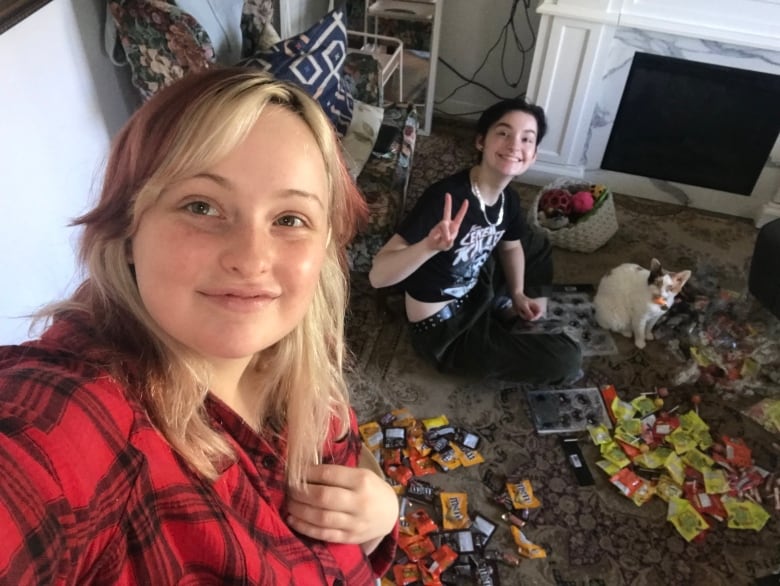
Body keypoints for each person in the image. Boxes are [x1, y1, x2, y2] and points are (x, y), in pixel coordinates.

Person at [0, 68, 399, 584]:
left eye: (290, 219)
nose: (252, 260)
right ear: (126, 230)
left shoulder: (292, 346)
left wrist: (382, 514)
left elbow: (347, 459)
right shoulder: (72, 415)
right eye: (202, 206)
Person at [369, 98, 582, 385]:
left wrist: (518, 293)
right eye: (503, 133)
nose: (514, 145)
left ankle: (509, 308)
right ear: (481, 141)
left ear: (533, 156)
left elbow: (511, 246)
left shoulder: (509, 198)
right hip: (447, 329)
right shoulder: (445, 197)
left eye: (526, 139)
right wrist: (427, 247)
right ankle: (505, 322)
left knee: (535, 245)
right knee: (567, 358)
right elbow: (377, 276)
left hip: (478, 286)